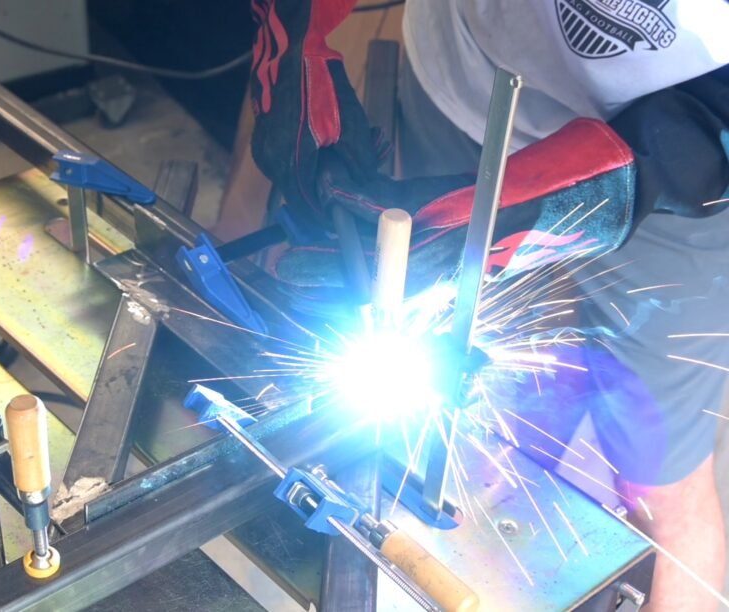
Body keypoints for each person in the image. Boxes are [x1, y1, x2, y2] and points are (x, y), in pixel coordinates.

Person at [216, 1, 729, 609]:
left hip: (695, 163)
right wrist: (295, 31)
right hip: (469, 73)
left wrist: (642, 167)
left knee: (664, 490)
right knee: (431, 365)